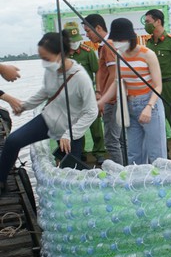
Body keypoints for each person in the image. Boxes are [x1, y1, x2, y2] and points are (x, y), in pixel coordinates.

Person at [0, 31, 98, 194]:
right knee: (12, 141)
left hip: (70, 128)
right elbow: (45, 92)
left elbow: (92, 111)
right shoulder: (51, 70)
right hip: (48, 120)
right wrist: (24, 106)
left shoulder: (80, 78)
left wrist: (69, 134)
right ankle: (1, 181)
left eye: (46, 58)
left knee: (71, 175)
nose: (44, 63)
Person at [97, 18, 166, 165]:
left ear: (131, 38)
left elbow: (158, 85)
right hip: (131, 105)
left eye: (120, 40)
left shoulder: (147, 54)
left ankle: (160, 185)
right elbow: (117, 82)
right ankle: (138, 184)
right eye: (115, 40)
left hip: (150, 104)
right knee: (134, 154)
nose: (117, 44)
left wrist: (149, 107)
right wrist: (101, 101)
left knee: (157, 154)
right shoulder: (119, 56)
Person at [144, 9, 171, 161]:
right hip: (153, 87)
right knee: (156, 123)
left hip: (169, 86)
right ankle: (162, 155)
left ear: (158, 22)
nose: (146, 25)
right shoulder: (148, 43)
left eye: (148, 21)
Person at [83, 14, 124, 165]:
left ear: (98, 27)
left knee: (112, 141)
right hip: (113, 98)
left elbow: (114, 74)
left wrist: (103, 99)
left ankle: (121, 175)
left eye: (88, 31)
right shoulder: (105, 46)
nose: (87, 35)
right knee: (119, 139)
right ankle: (126, 170)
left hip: (113, 100)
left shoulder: (108, 46)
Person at [65, 21, 106, 164]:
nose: (74, 44)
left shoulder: (87, 52)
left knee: (95, 126)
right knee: (75, 126)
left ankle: (99, 152)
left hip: (88, 95)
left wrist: (98, 91)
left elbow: (98, 71)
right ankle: (79, 153)